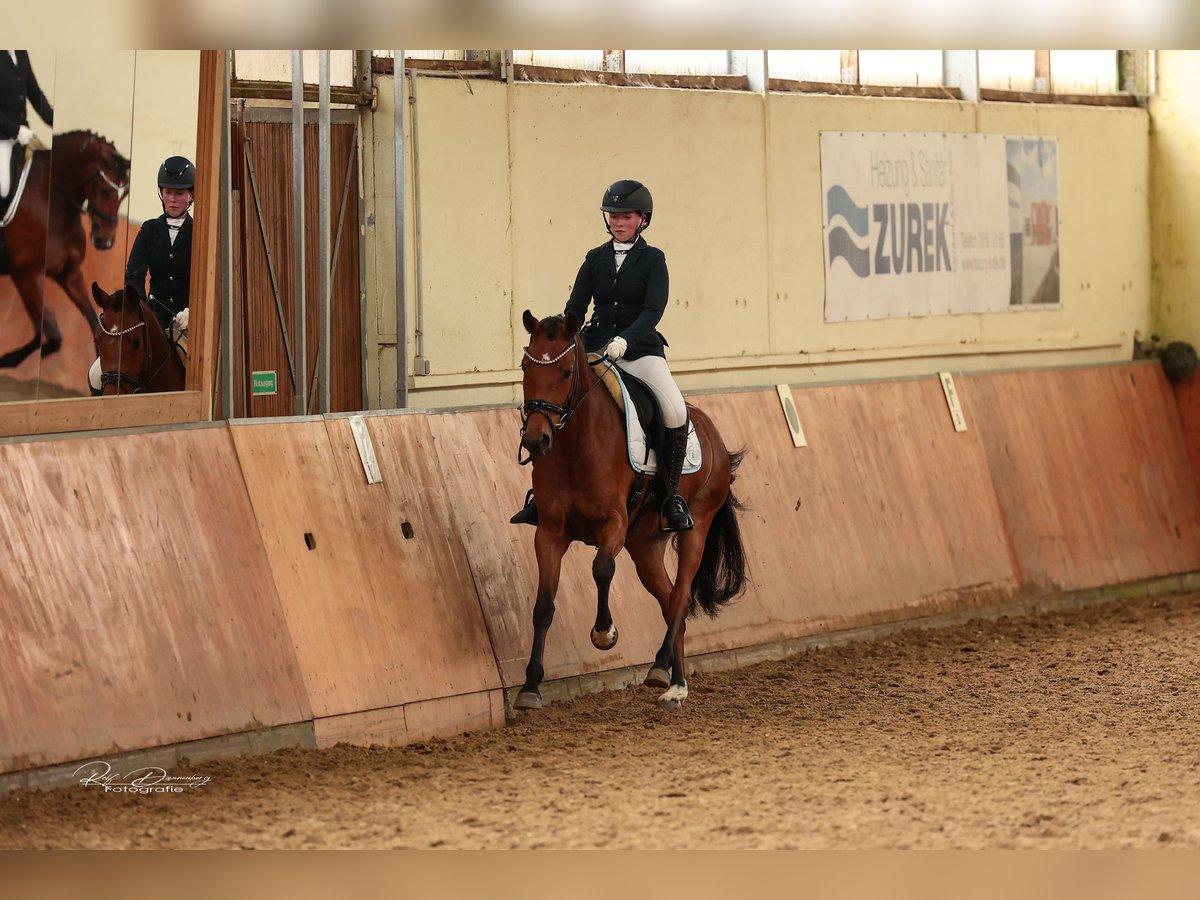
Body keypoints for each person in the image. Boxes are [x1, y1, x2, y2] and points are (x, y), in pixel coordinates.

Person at [511, 178, 694, 533]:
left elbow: (653, 310)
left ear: (642, 219)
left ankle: (672, 497)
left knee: (675, 409)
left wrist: (627, 339)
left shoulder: (654, 260)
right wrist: (564, 336)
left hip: (639, 351)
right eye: (613, 216)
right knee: (561, 403)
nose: (618, 222)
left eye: (626, 216)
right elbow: (575, 307)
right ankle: (544, 494)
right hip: (596, 348)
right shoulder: (594, 259)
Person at [88, 156, 194, 394]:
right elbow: (134, 277)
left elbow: (205, 282)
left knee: (198, 369)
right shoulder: (149, 230)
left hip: (187, 321)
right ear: (161, 193)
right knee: (96, 374)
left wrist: (193, 311)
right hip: (151, 318)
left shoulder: (198, 233)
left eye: (179, 193)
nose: (173, 199)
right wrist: (141, 309)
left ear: (191, 195)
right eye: (168, 192)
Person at [0, 50, 53, 207]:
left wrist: (57, 120)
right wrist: (15, 130)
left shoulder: (21, 53)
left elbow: (35, 93)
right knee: (3, 186)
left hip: (24, 135)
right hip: (3, 136)